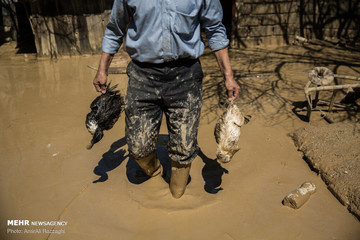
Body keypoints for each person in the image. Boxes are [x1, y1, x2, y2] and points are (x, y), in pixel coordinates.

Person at [93, 0, 240, 198]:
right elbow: (115, 29)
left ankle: (176, 196)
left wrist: (228, 76)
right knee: (138, 146)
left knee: (184, 150)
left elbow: (214, 29)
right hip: (142, 76)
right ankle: (156, 172)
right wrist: (102, 69)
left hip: (186, 75)